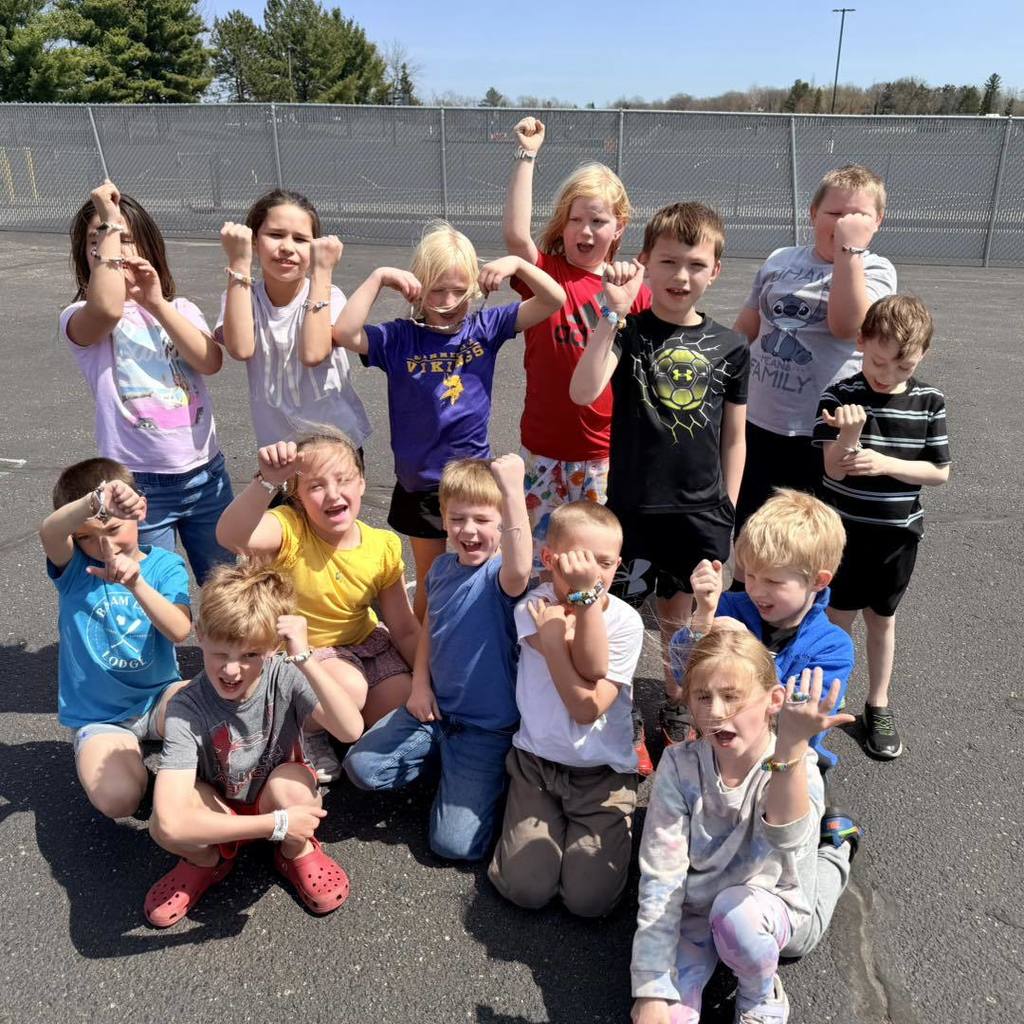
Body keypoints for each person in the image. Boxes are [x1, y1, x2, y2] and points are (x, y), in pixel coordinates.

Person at [570, 202, 748, 767]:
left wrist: (729, 509)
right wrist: (611, 314)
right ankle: (617, 708)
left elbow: (735, 438)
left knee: (681, 617)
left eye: (696, 265)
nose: (680, 276)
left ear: (715, 270)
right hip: (632, 511)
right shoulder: (632, 332)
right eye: (668, 262)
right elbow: (583, 390)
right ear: (643, 262)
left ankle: (677, 704)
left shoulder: (731, 346)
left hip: (699, 515)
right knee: (616, 614)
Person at [331, 220, 565, 620]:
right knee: (430, 576)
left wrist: (517, 265)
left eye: (459, 290)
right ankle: (424, 652)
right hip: (420, 480)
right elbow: (344, 332)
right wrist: (379, 277)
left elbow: (554, 300)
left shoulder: (484, 327)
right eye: (437, 290)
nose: (448, 301)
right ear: (419, 288)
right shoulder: (399, 337)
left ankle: (479, 638)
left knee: (483, 567)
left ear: (474, 288)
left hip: (472, 478)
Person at [630, 629, 860, 1024]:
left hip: (774, 905)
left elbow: (786, 837)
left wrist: (790, 746)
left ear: (774, 701)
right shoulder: (680, 765)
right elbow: (660, 877)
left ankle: (837, 847)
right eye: (704, 696)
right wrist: (649, 986)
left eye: (732, 696)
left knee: (755, 907)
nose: (716, 711)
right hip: (698, 911)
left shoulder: (799, 763)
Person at [145, 563, 363, 928]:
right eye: (221, 654)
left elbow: (350, 729)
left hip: (272, 795)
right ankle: (207, 861)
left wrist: (304, 657)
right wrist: (275, 825)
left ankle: (294, 851)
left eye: (249, 655)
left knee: (294, 788)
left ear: (273, 648)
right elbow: (168, 823)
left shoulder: (285, 672)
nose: (232, 670)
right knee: (162, 824)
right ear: (199, 635)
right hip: (221, 807)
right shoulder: (186, 706)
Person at [343, 454, 532, 860]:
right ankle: (446, 766)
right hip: (433, 713)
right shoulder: (442, 569)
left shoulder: (501, 577)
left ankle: (487, 776)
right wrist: (420, 685)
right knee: (361, 768)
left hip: (485, 729)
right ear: (444, 520)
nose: (469, 530)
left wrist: (513, 490)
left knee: (455, 846)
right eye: (458, 518)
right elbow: (431, 629)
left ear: (502, 522)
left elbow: (520, 565)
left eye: (483, 519)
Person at [215, 431, 418, 782]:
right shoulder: (290, 530)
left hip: (363, 643)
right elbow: (232, 535)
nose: (333, 494)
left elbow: (403, 627)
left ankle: (329, 722)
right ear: (296, 496)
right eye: (316, 486)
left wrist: (432, 679)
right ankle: (305, 733)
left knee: (403, 699)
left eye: (343, 480)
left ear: (362, 483)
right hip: (303, 652)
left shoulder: (382, 545)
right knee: (349, 691)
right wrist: (267, 481)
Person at [62, 180, 233, 584]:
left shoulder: (180, 308)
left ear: (151, 250)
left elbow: (210, 361)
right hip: (137, 487)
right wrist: (109, 219)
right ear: (86, 255)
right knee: (152, 589)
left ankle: (229, 650)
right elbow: (105, 306)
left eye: (129, 240)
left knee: (227, 585)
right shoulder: (81, 317)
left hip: (206, 475)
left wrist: (155, 303)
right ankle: (156, 650)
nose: (117, 249)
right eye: (100, 240)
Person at [502, 117, 651, 568]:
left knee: (592, 562)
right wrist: (527, 155)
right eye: (576, 220)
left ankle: (587, 631)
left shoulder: (635, 291)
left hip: (603, 455)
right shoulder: (546, 274)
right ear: (563, 225)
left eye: (598, 221)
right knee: (541, 560)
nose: (586, 232)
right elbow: (515, 236)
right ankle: (537, 634)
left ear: (619, 227)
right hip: (545, 448)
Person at [488, 501, 643, 917]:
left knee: (589, 902)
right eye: (579, 561)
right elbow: (589, 671)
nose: (592, 573)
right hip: (537, 764)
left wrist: (577, 610)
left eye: (604, 564)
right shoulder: (532, 607)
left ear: (619, 565)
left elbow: (586, 703)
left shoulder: (626, 622)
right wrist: (560, 632)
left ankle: (600, 828)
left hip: (602, 773)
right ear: (549, 559)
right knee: (525, 890)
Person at [814, 295, 951, 759]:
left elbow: (939, 471)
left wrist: (887, 462)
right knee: (836, 619)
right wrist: (849, 435)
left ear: (922, 358)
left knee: (882, 620)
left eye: (903, 366)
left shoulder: (930, 401)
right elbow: (832, 470)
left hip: (897, 537)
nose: (887, 373)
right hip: (844, 534)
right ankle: (823, 702)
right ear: (861, 342)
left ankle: (878, 703)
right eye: (877, 360)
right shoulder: (840, 397)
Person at [732, 165, 897, 540]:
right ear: (812, 214)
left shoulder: (875, 268)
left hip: (824, 430)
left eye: (858, 217)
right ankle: (745, 594)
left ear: (878, 222)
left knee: (808, 539)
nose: (843, 224)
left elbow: (847, 326)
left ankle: (805, 600)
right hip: (761, 420)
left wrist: (849, 251)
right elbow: (747, 327)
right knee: (752, 530)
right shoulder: (780, 259)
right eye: (835, 214)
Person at [39, 458, 192, 820]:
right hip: (100, 718)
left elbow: (179, 630)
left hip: (158, 698)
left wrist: (135, 584)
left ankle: (177, 779)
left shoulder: (164, 566)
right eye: (86, 536)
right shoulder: (74, 568)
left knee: (222, 706)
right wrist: (97, 503)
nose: (101, 545)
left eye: (111, 528)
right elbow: (49, 531)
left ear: (140, 510)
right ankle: (144, 779)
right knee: (117, 798)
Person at [673, 489, 853, 771]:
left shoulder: (832, 646)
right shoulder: (727, 608)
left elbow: (803, 723)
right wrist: (703, 617)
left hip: (783, 758)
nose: (756, 590)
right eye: (750, 575)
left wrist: (748, 650)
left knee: (800, 808)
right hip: (720, 747)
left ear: (818, 581)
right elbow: (681, 673)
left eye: (773, 581)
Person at [217, 188, 371, 450]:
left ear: (315, 247)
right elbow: (241, 348)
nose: (287, 247)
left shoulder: (329, 294)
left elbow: (314, 352)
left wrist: (322, 271)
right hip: (277, 450)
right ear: (254, 241)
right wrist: (239, 263)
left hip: (334, 448)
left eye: (301, 239)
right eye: (275, 235)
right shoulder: (241, 296)